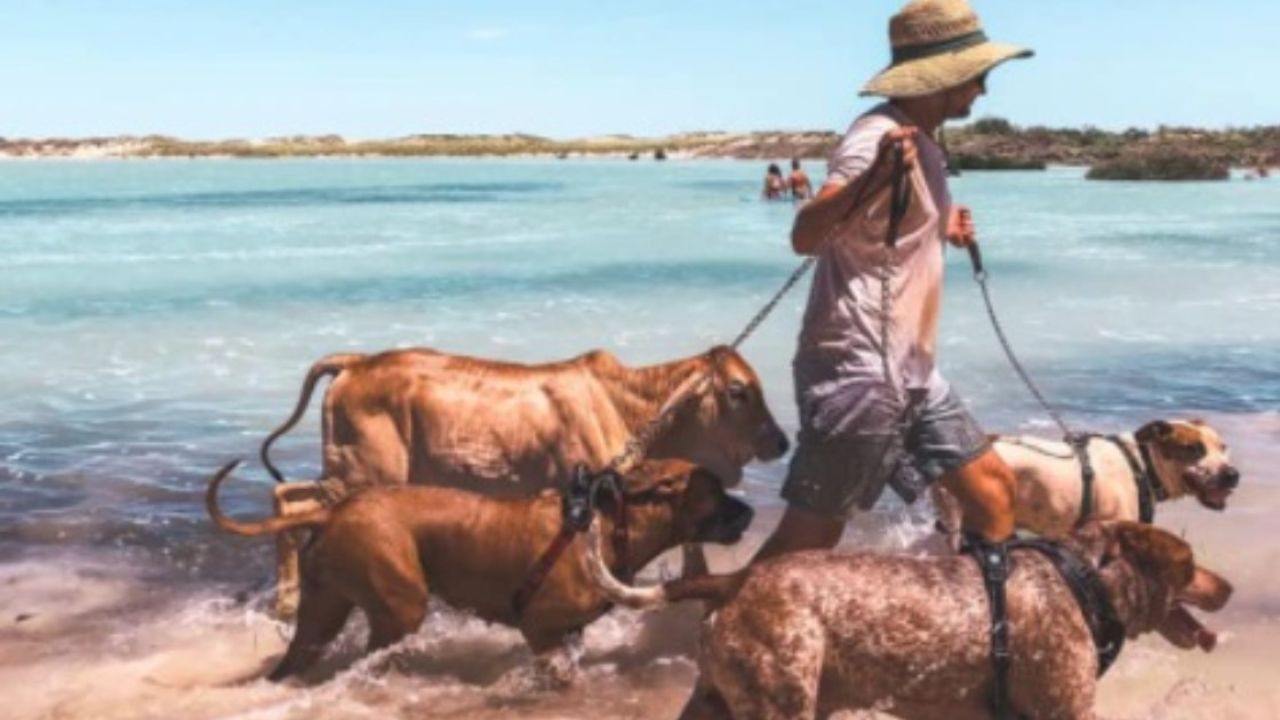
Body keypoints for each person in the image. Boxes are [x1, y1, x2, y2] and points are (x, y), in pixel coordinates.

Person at [755, 0, 1033, 562]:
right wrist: (873, 178)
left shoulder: (925, 140)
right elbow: (806, 235)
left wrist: (940, 228)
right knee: (808, 545)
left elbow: (881, 232)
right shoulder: (876, 136)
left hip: (912, 369)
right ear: (947, 74)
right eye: (979, 75)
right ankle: (716, 633)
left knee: (995, 499)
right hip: (856, 367)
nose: (983, 90)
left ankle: (967, 630)